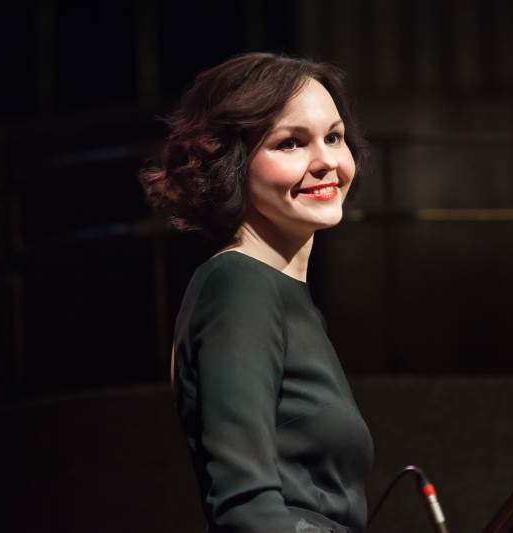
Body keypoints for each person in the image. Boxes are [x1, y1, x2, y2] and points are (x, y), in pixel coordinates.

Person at [140, 53, 374, 533]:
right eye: (291, 143)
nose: (327, 161)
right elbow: (246, 508)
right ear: (231, 163)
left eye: (333, 137)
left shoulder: (279, 293)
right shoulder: (239, 287)